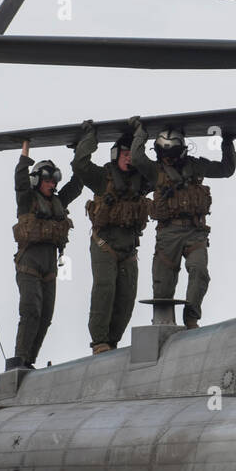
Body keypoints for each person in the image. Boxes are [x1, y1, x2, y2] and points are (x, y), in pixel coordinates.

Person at [72, 118, 154, 353]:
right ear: (115, 154)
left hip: (129, 249)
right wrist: (89, 138)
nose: (129, 158)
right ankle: (99, 341)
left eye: (132, 154)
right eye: (124, 153)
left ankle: (113, 341)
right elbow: (80, 164)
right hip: (104, 244)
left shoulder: (142, 181)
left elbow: (159, 172)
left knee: (127, 296)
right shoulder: (102, 178)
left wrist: (142, 138)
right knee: (105, 289)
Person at [147, 127, 236, 329]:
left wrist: (227, 143)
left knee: (199, 272)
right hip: (168, 234)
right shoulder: (154, 171)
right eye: (164, 155)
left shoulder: (195, 166)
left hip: (194, 232)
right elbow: (136, 160)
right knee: (163, 286)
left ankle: (191, 318)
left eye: (171, 155)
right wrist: (138, 135)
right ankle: (163, 324)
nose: (167, 160)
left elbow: (225, 169)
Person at [9, 141, 83, 370]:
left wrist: (79, 154)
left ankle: (30, 360)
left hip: (50, 269)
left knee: (45, 317)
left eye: (54, 181)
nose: (51, 185)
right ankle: (19, 360)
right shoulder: (27, 201)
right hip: (28, 266)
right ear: (37, 181)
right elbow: (20, 181)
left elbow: (77, 186)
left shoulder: (58, 202)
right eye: (47, 180)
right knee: (31, 311)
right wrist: (25, 152)